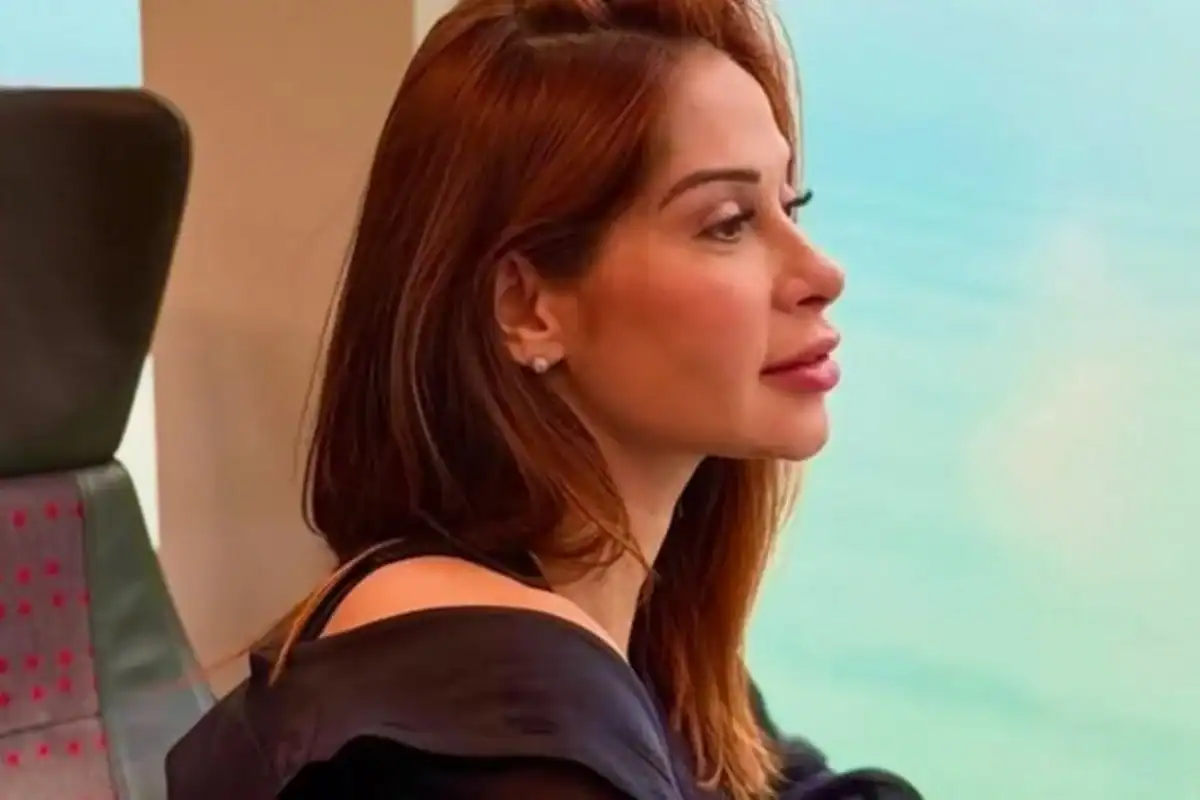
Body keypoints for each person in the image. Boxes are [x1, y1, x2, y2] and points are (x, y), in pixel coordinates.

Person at [165, 0, 924, 798]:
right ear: (528, 308)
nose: (821, 273)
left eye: (790, 207)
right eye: (728, 223)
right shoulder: (506, 732)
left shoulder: (624, 633)